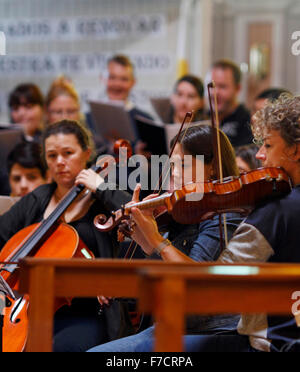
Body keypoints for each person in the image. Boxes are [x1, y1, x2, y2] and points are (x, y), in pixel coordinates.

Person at [94, 93, 300, 352]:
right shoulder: (270, 206)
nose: (259, 155)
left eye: (268, 146)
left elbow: (204, 291)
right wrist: (147, 241)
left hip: (238, 334)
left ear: (296, 149)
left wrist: (156, 241)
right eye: (172, 165)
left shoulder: (272, 211)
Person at [88, 124, 244, 352]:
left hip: (213, 331)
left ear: (213, 167)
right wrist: (142, 237)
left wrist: (156, 239)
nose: (176, 173)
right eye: (173, 166)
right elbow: (164, 269)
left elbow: (192, 281)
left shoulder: (226, 215)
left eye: (184, 164)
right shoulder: (184, 211)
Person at [0, 119, 134, 352]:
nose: (60, 162)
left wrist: (101, 187)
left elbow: (136, 213)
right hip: (28, 308)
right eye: (52, 156)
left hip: (86, 311)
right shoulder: (38, 198)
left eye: (68, 153)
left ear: (87, 154)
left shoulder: (101, 202)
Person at [210, 59, 252, 147]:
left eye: (222, 86)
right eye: (212, 86)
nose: (215, 92)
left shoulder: (247, 122)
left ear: (237, 88)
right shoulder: (202, 117)